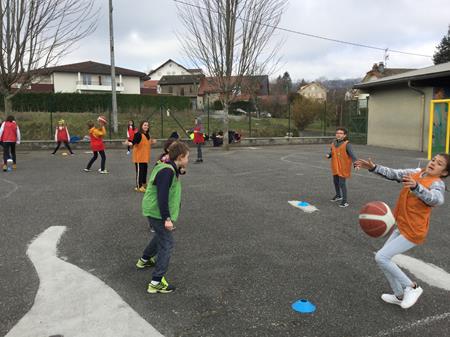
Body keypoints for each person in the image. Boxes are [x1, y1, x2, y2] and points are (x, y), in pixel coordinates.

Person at [355, 154, 448, 309]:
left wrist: (416, 187)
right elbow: (395, 173)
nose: (433, 163)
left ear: (444, 172)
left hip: (413, 231)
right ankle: (399, 295)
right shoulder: (416, 172)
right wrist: (374, 167)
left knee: (381, 257)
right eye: (433, 160)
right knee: (384, 260)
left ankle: (412, 287)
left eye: (439, 164)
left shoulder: (437, 184)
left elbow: (436, 199)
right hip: (402, 226)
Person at [136, 141, 190, 294]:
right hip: (157, 212)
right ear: (180, 157)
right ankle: (156, 282)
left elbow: (169, 177)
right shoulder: (167, 171)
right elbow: (162, 196)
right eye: (187, 157)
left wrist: (180, 169)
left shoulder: (168, 165)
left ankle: (144, 260)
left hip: (153, 210)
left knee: (160, 236)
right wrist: (167, 218)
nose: (188, 160)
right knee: (167, 243)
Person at [326, 127, 357, 208]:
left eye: (340, 133)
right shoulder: (334, 143)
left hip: (343, 167)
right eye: (337, 133)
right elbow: (332, 151)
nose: (338, 134)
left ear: (344, 135)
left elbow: (352, 155)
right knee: (335, 182)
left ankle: (345, 201)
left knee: (342, 183)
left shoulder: (347, 144)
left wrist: (356, 164)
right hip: (335, 166)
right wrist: (329, 155)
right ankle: (338, 195)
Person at [127, 121, 156, 192]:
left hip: (145, 157)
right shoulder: (138, 134)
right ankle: (138, 186)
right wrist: (129, 143)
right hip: (139, 157)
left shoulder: (147, 134)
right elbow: (134, 142)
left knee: (144, 171)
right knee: (140, 172)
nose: (146, 126)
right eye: (145, 125)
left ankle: (143, 184)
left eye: (147, 125)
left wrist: (152, 142)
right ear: (141, 126)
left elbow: (146, 142)